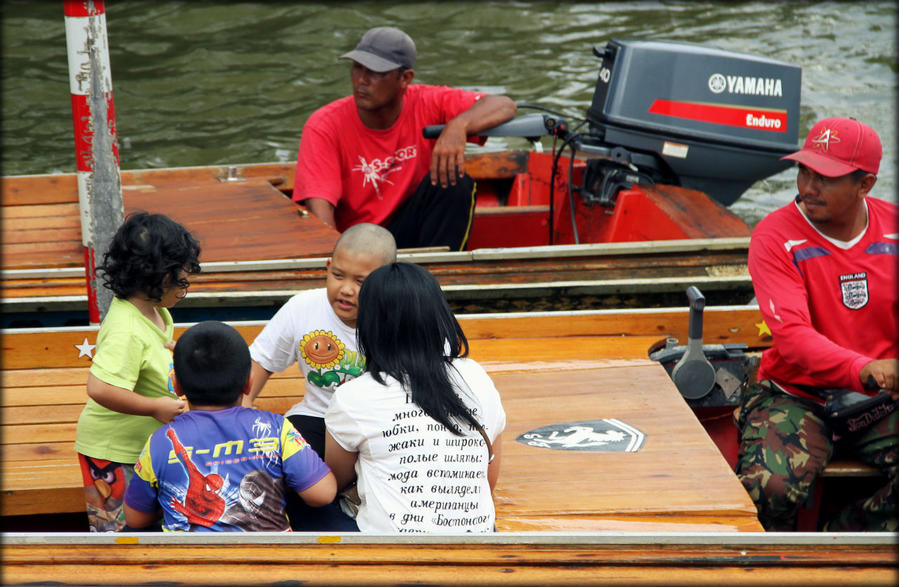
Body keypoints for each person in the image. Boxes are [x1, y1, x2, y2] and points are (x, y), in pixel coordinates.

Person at [736, 117, 898, 531]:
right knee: (768, 489)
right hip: (796, 394)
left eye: (824, 177)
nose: (808, 186)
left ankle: (840, 538)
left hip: (882, 401)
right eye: (804, 170)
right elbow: (792, 339)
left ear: (865, 185)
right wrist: (867, 368)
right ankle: (785, 558)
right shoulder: (775, 237)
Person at [293, 26, 517, 251]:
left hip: (410, 229)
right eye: (357, 67)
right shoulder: (323, 126)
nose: (361, 80)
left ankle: (436, 276)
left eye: (375, 72)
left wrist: (459, 126)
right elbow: (319, 212)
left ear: (405, 78)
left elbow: (503, 105)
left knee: (456, 182)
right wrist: (339, 266)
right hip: (359, 246)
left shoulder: (428, 101)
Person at [325, 262, 506, 533]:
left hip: (391, 559)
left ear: (370, 324)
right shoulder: (476, 376)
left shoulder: (352, 396)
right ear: (439, 315)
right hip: (477, 544)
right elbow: (488, 478)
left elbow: (334, 483)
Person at [246, 222, 396, 530]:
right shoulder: (304, 307)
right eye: (338, 275)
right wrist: (242, 409)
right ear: (327, 267)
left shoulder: (403, 314)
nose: (346, 289)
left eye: (361, 281)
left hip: (385, 424)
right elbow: (259, 362)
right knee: (285, 466)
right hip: (320, 418)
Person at [123, 321, 336, 531]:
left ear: (176, 385)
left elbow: (135, 518)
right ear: (249, 383)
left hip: (188, 563)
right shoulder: (275, 428)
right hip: (271, 562)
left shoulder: (160, 442)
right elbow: (322, 494)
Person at [74, 212, 201, 532]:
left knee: (147, 525)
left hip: (141, 448)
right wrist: (155, 407)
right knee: (116, 531)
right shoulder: (126, 328)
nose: (186, 287)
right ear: (158, 278)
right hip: (111, 453)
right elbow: (99, 388)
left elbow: (150, 356)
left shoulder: (155, 313)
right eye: (183, 282)